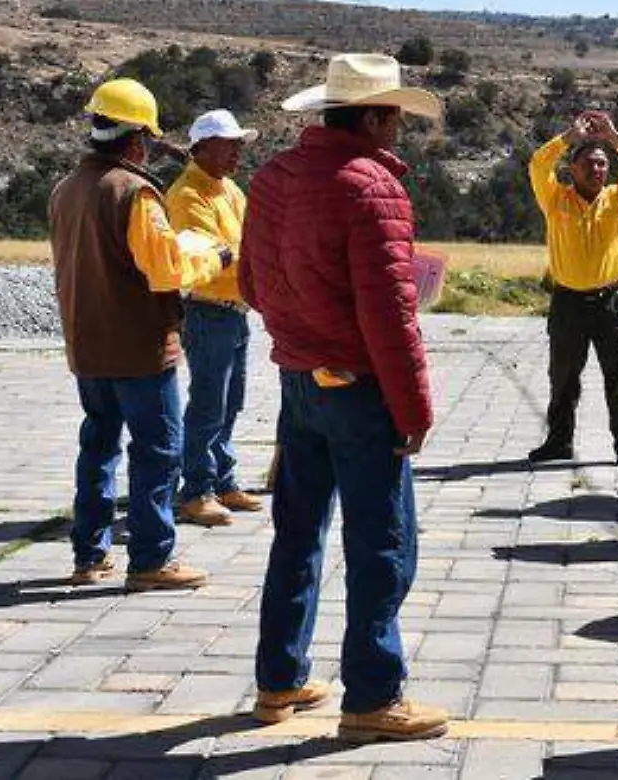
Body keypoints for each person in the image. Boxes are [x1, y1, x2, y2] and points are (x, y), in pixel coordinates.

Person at [239, 53, 449, 742]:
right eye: (393, 115)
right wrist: (414, 410)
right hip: (360, 391)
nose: (398, 129)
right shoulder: (370, 186)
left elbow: (249, 286)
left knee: (297, 534)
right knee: (383, 543)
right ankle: (373, 695)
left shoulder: (270, 179)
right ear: (372, 116)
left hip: (298, 382)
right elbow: (390, 317)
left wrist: (303, 320)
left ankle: (279, 679)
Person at [48, 78, 229, 593]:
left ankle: (89, 555)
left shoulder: (66, 189)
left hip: (87, 345)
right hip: (140, 347)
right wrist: (213, 256)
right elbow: (166, 270)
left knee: (98, 447)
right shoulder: (135, 193)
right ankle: (151, 559)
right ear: (136, 140)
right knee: (156, 452)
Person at [526, 110, 618, 467]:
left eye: (603, 165)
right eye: (590, 164)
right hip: (567, 301)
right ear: (572, 169)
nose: (598, 170)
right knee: (563, 378)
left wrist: (615, 139)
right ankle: (558, 442)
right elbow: (538, 164)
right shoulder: (555, 199)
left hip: (610, 301)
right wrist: (568, 137)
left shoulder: (617, 199)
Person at [167, 109, 261, 528]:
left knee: (230, 403)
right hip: (207, 310)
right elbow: (213, 254)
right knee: (208, 405)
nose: (236, 153)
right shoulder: (187, 196)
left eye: (239, 145)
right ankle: (195, 491)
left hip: (234, 312)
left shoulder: (228, 189)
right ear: (200, 148)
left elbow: (250, 238)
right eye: (228, 145)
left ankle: (222, 481)